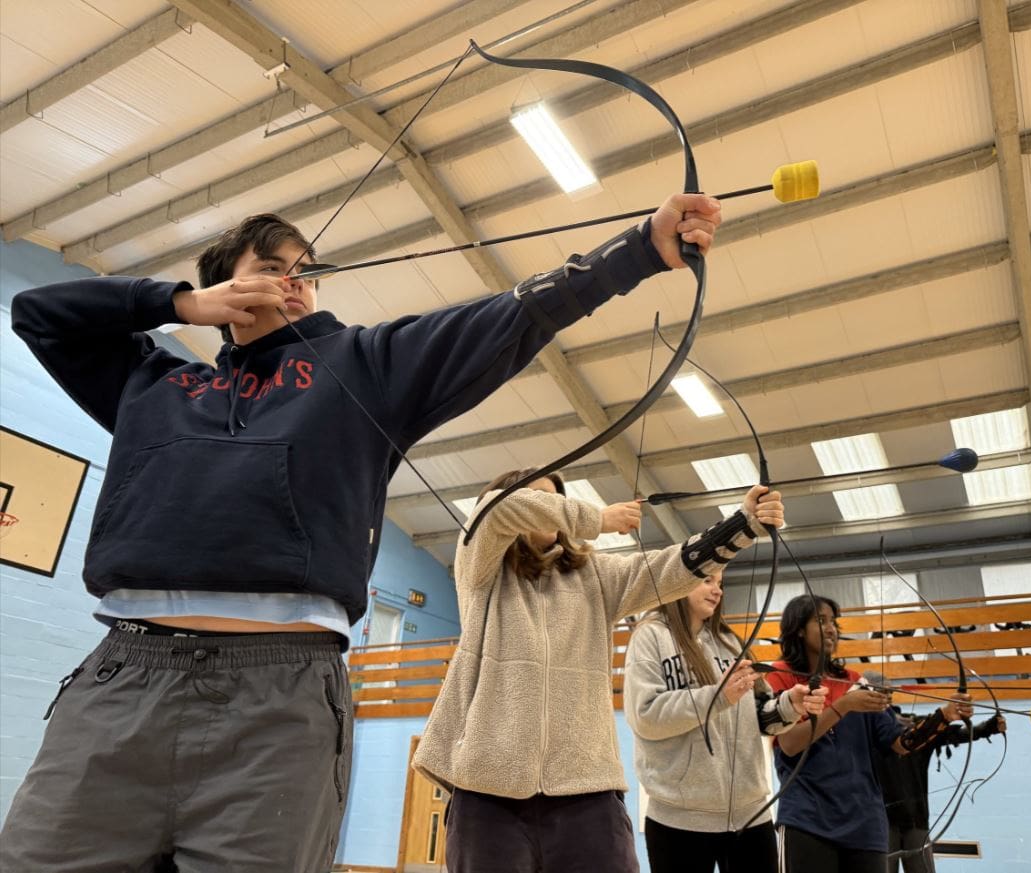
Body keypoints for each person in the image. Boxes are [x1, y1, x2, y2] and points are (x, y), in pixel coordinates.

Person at [1, 193, 722, 872]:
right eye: (271, 268)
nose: (294, 281)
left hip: (280, 694)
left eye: (304, 272)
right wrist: (176, 303)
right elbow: (38, 313)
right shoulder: (153, 384)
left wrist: (637, 250)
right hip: (123, 678)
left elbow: (507, 319)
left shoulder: (359, 366)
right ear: (223, 292)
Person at [412, 471, 784, 873]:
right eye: (539, 500)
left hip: (587, 791)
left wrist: (743, 523)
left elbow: (670, 566)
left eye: (557, 498)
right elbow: (494, 510)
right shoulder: (482, 569)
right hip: (488, 793)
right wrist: (595, 519)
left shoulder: (595, 575)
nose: (550, 508)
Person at [624, 569, 828, 873]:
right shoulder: (650, 635)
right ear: (679, 580)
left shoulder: (730, 641)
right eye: (707, 580)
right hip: (678, 818)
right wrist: (718, 696)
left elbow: (760, 714)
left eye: (721, 583)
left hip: (751, 816)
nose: (717, 590)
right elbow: (646, 715)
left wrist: (790, 705)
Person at [764, 595, 975, 873]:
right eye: (821, 620)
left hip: (865, 827)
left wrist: (944, 716)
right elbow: (790, 744)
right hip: (807, 822)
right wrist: (844, 705)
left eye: (834, 623)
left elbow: (900, 744)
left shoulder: (855, 681)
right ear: (798, 629)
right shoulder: (780, 676)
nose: (831, 629)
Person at [862, 671, 1007, 873]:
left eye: (889, 691)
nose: (886, 695)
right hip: (881, 820)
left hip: (916, 817)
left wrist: (989, 727)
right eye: (879, 691)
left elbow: (953, 733)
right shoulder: (864, 729)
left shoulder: (918, 727)